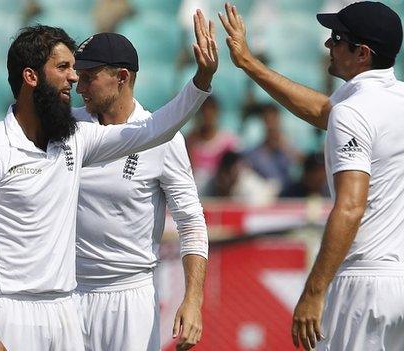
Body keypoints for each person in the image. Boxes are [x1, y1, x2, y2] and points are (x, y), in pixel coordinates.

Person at [0, 11, 217, 351]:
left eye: (83, 72)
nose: (76, 79)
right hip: (45, 299)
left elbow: (155, 132)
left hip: (122, 296)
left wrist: (201, 82)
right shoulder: (47, 135)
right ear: (32, 76)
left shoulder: (77, 137)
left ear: (122, 77)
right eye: (65, 69)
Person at [219, 2, 404, 350]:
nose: (327, 45)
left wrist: (313, 291)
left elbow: (350, 208)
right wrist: (248, 63)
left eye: (337, 38)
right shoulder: (391, 102)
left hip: (362, 286)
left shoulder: (352, 113)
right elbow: (323, 110)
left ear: (362, 53)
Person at [72, 32, 208, 351]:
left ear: (122, 77)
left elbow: (191, 222)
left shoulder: (165, 138)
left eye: (89, 77)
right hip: (67, 292)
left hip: (130, 299)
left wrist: (193, 300)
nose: (79, 87)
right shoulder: (66, 129)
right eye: (78, 77)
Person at [184, 94, 238, 188]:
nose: (207, 115)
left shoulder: (228, 141)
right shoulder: (190, 141)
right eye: (204, 111)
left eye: (211, 110)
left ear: (217, 113)